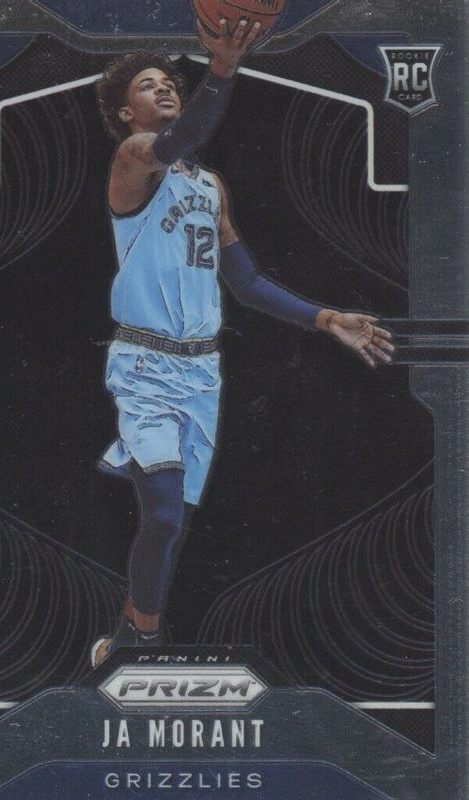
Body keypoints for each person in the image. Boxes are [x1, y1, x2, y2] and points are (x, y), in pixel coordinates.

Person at [91, 19, 394, 667]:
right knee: (163, 516)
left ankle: (133, 626)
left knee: (173, 523)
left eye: (171, 82)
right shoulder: (134, 160)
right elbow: (180, 138)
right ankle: (144, 639)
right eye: (148, 85)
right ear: (126, 112)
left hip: (201, 373)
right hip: (145, 363)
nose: (165, 89)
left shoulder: (209, 187)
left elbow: (247, 282)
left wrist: (326, 319)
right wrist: (222, 68)